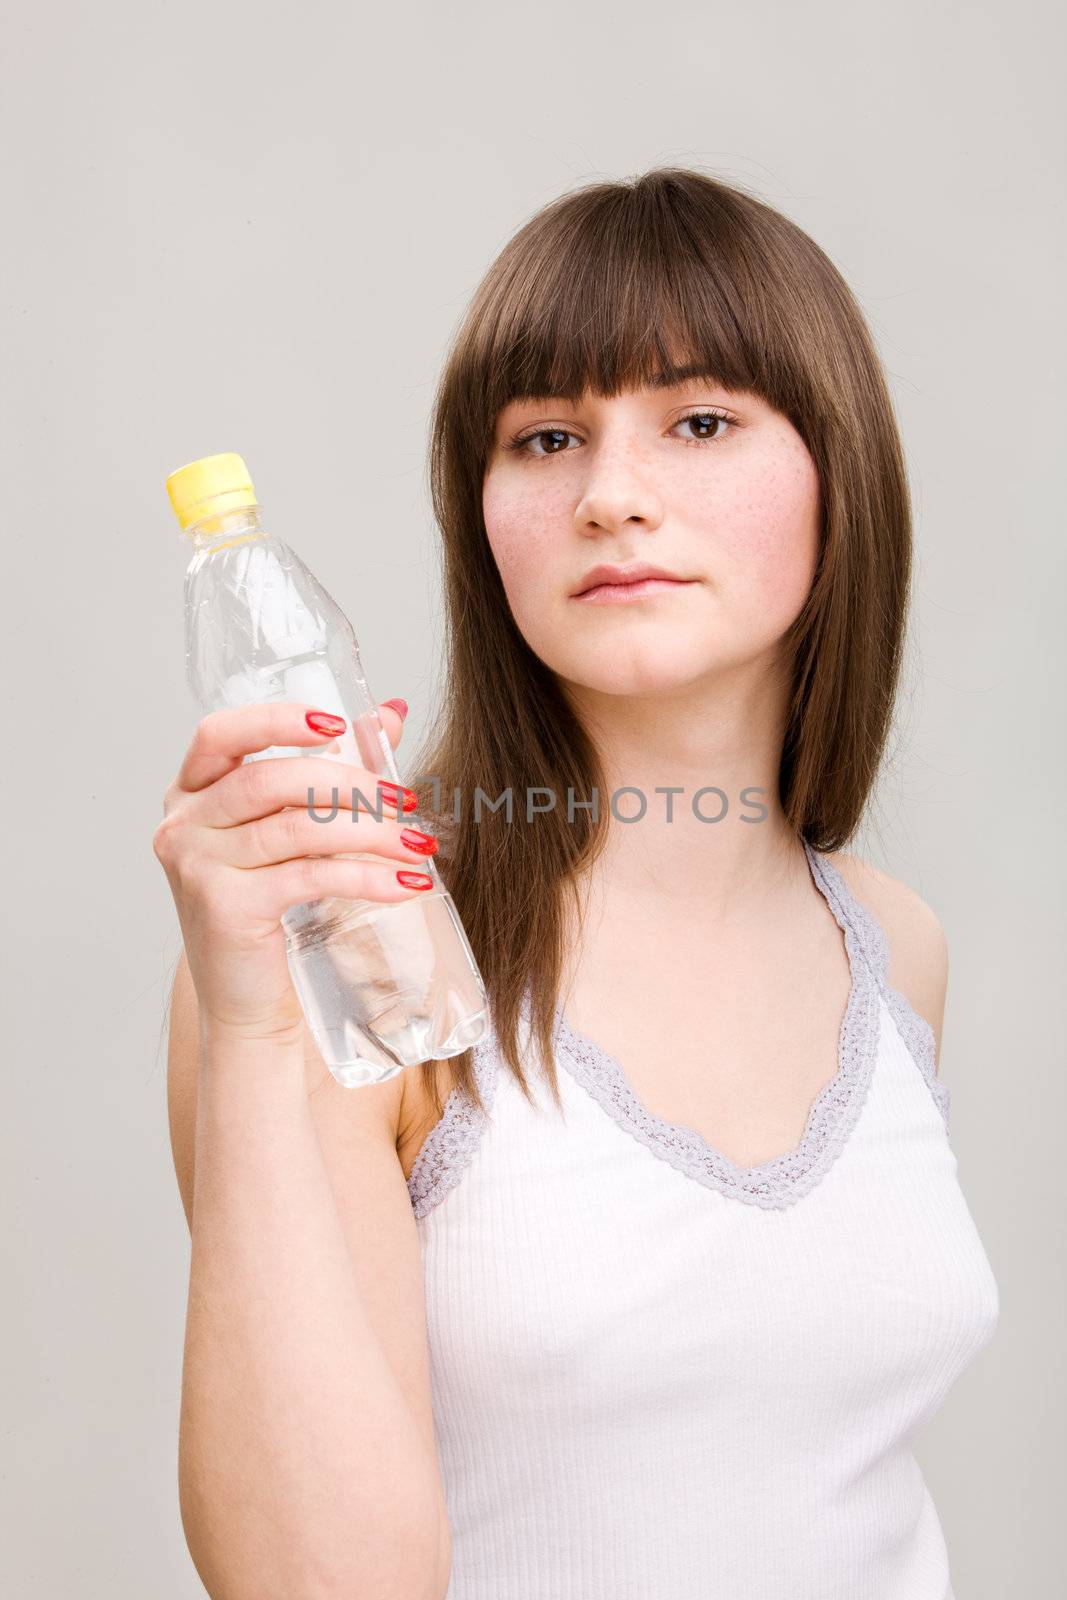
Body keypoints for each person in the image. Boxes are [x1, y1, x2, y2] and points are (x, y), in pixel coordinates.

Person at [157, 167, 1000, 1600]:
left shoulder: (889, 947)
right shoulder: (361, 947)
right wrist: (248, 1033)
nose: (612, 496)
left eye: (701, 421)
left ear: (837, 473)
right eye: (546, 437)